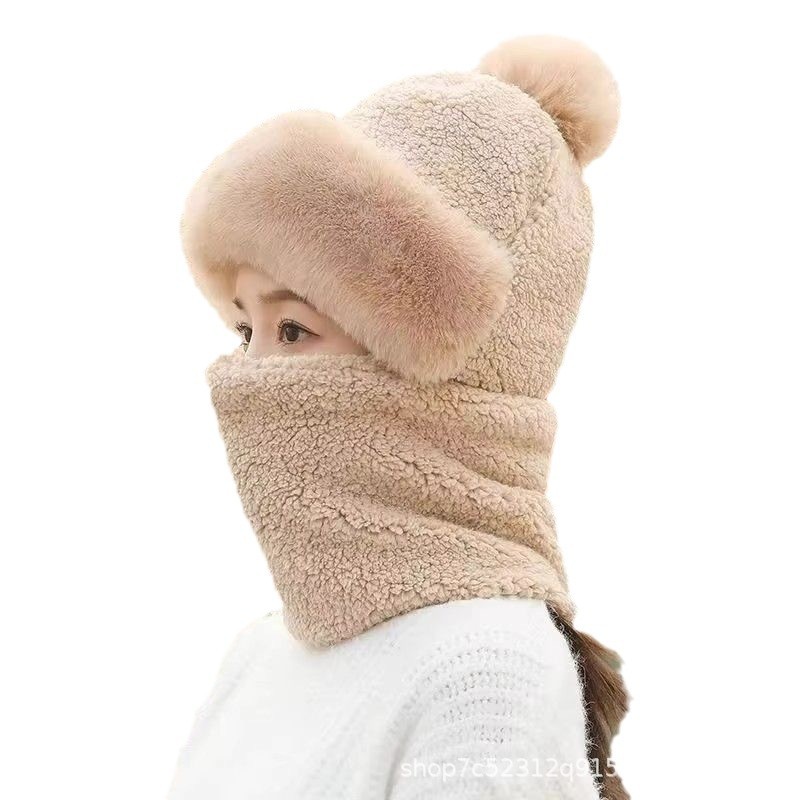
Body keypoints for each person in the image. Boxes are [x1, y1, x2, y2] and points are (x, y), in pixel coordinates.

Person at [167, 34, 629, 800]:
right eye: (245, 331)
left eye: (295, 330)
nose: (251, 376)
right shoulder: (258, 655)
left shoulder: (485, 674)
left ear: (456, 367)